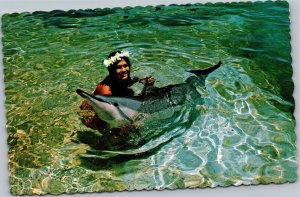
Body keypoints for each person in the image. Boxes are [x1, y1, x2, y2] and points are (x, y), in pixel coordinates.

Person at [79, 50, 155, 135]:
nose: (124, 70)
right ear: (112, 70)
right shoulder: (105, 90)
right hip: (94, 115)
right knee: (118, 138)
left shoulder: (124, 79)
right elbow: (106, 116)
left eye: (126, 66)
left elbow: (142, 99)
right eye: (119, 67)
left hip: (113, 103)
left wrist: (147, 85)